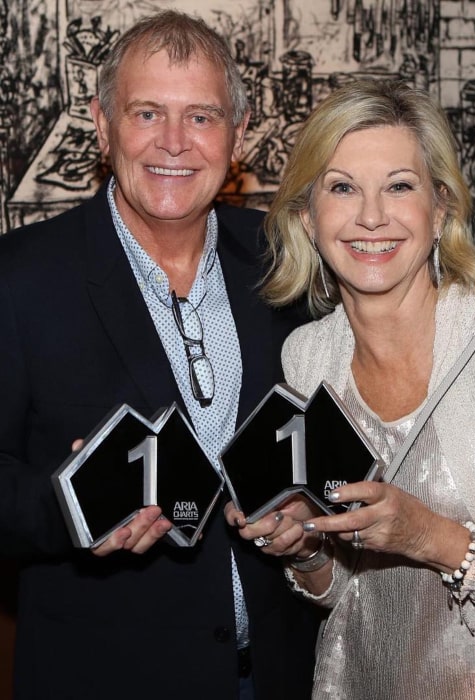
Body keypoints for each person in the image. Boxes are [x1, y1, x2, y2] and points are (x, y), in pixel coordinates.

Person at [0, 10, 319, 699]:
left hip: (278, 673)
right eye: (147, 112)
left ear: (236, 137)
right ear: (103, 122)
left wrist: (307, 518)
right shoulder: (18, 279)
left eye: (201, 117)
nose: (174, 144)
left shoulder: (285, 262)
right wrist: (71, 511)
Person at [225, 79, 475, 698]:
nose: (370, 216)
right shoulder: (307, 357)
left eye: (399, 186)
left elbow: (418, 546)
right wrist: (304, 548)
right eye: (342, 187)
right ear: (307, 217)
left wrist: (430, 537)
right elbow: (355, 597)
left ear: (441, 211)